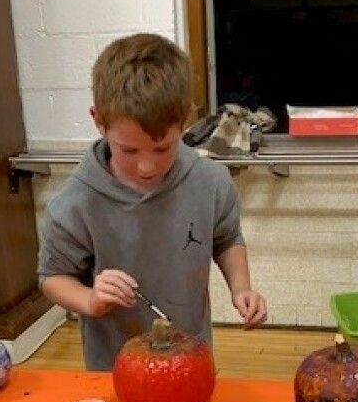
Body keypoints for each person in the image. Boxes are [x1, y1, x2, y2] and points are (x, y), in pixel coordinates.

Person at [38, 33, 267, 371]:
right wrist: (90, 299)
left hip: (191, 359)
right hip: (114, 369)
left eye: (163, 148)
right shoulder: (74, 204)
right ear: (99, 120)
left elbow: (227, 238)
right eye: (128, 150)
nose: (146, 166)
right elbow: (52, 277)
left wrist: (241, 287)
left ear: (185, 120)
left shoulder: (211, 182)